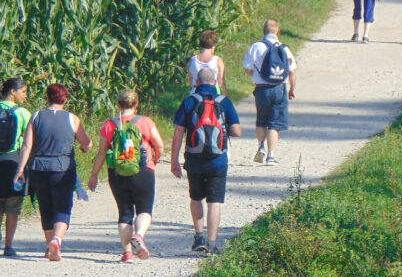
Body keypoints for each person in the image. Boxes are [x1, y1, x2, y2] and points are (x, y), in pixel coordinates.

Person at [14, 84, 92, 261]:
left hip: (38, 168)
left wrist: (20, 170)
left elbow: (27, 146)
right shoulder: (72, 119)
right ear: (65, 99)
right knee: (62, 207)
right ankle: (57, 240)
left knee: (45, 207)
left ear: (47, 97)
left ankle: (50, 247)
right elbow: (87, 143)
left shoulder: (36, 115)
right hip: (62, 168)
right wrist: (83, 148)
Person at [171, 68, 241, 255]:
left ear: (196, 81)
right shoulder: (224, 102)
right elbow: (237, 131)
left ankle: (199, 237)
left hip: (194, 159)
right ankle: (212, 243)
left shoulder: (189, 101)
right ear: (216, 80)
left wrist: (174, 161)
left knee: (195, 197)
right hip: (218, 160)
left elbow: (179, 131)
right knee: (214, 201)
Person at [88, 89, 164, 263]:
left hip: (117, 172)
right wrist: (154, 161)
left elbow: (101, 153)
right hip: (143, 170)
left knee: (124, 212)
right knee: (144, 209)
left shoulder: (110, 125)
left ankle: (127, 253)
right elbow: (159, 146)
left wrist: (93, 175)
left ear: (118, 104)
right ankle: (139, 235)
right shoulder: (145, 122)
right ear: (136, 105)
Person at [243, 19, 296, 165]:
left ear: (263, 32)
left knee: (261, 119)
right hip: (279, 88)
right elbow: (292, 71)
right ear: (278, 32)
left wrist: (257, 75)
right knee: (274, 123)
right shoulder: (284, 49)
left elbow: (247, 68)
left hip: (262, 89)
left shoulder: (256, 47)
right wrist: (292, 89)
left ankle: (261, 147)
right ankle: (271, 155)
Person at [0, 78, 31, 257]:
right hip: (13, 162)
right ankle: (9, 246)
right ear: (13, 91)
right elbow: (29, 141)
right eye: (23, 91)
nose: (25, 95)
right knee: (13, 207)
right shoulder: (23, 113)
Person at [188, 30, 227, 95]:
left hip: (195, 93)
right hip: (213, 93)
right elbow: (221, 82)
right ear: (214, 46)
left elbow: (191, 82)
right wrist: (225, 96)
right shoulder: (218, 60)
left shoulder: (192, 60)